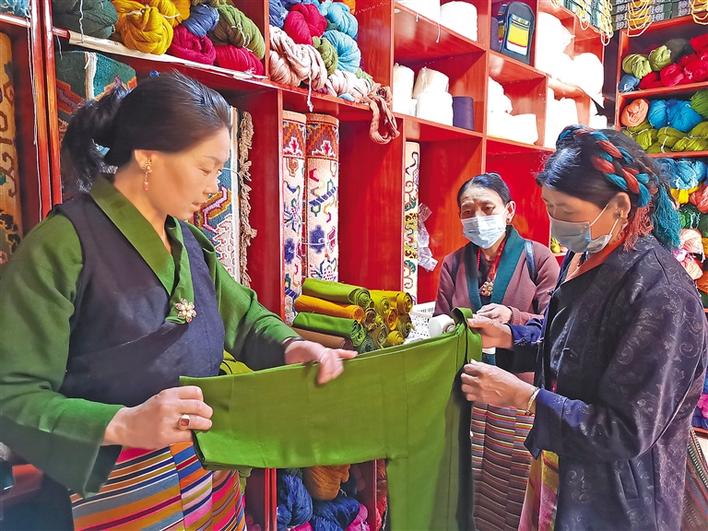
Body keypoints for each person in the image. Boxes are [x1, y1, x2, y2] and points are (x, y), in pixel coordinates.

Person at [0, 73, 355, 530]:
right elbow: (13, 395)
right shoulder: (61, 246)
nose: (214, 187)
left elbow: (245, 318)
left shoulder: (187, 241)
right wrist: (124, 423)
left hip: (209, 476)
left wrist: (292, 347)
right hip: (116, 492)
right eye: (206, 169)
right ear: (148, 157)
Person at [461, 125, 708, 530]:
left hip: (619, 498)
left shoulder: (660, 293)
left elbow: (625, 430)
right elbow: (573, 345)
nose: (556, 223)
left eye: (567, 212)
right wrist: (509, 338)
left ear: (620, 207)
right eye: (549, 207)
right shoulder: (582, 255)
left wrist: (525, 397)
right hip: (563, 466)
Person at [435, 173, 560, 529]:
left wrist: (512, 316)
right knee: (470, 477)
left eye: (487, 208)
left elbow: (556, 324)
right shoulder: (453, 264)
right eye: (468, 211)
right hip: (469, 390)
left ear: (509, 211)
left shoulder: (538, 258)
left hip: (516, 392)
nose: (477, 218)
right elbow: (441, 320)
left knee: (512, 478)